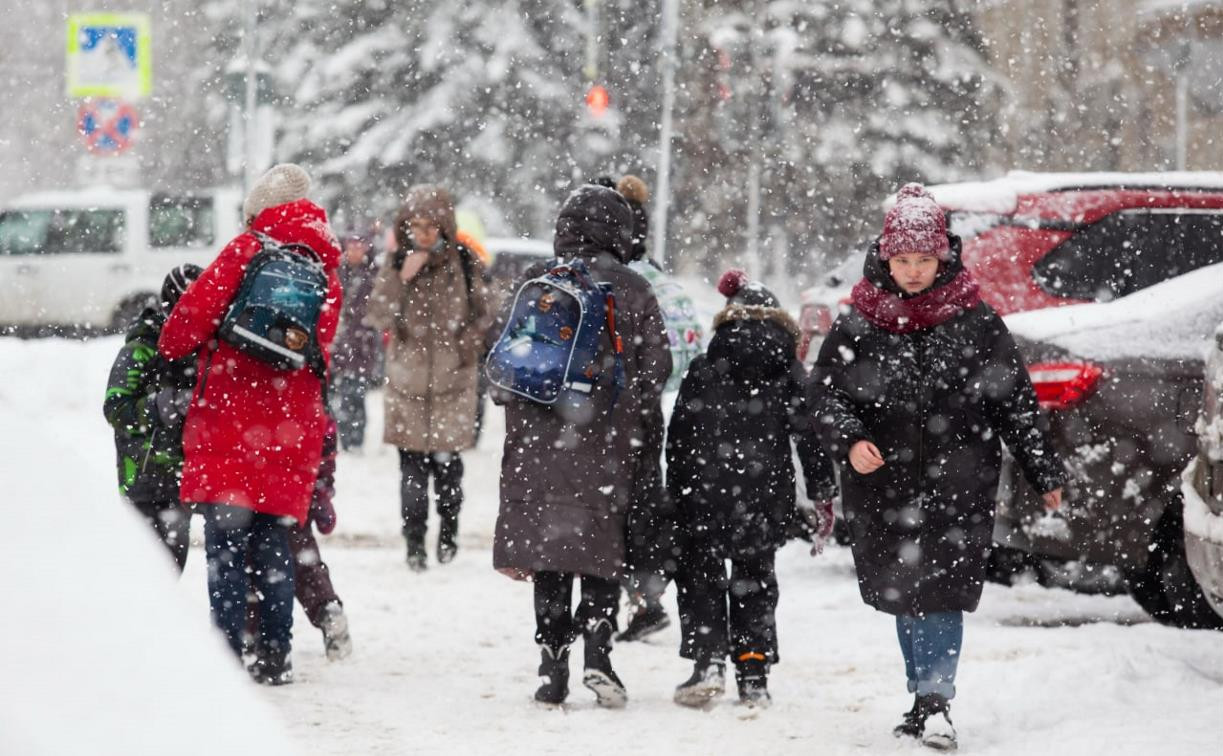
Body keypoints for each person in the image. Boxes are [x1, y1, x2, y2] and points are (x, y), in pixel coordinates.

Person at [810, 183, 1064, 748]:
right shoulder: (860, 324)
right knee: (904, 592)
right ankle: (920, 694)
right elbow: (824, 398)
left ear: (943, 255)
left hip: (961, 483)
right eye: (904, 260)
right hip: (884, 486)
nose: (915, 271)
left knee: (943, 592)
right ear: (885, 256)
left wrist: (1043, 470)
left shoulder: (976, 322)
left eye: (925, 260)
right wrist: (850, 440)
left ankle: (935, 702)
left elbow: (1014, 402)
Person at [159, 163, 343, 685]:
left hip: (230, 421)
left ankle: (228, 656)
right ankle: (277, 657)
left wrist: (177, 349)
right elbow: (320, 349)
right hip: (294, 427)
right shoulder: (326, 268)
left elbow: (187, 322)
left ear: (258, 212)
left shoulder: (247, 250)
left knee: (226, 550)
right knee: (274, 549)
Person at [492, 184, 671, 708]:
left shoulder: (536, 282)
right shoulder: (634, 288)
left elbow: (503, 363)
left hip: (537, 444)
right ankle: (598, 653)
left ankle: (551, 665)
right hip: (606, 442)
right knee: (600, 550)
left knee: (550, 555)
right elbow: (657, 367)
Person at [667, 269, 836, 709]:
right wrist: (822, 492)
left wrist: (675, 488)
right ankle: (754, 668)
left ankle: (708, 662)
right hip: (764, 492)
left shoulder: (705, 366)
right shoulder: (788, 369)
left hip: (703, 489)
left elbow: (680, 434)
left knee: (700, 574)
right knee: (755, 578)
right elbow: (810, 435)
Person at [364, 185, 493, 571]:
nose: (423, 234)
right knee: (412, 475)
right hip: (408, 385)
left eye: (431, 226)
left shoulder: (464, 262)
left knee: (449, 472)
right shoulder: (396, 262)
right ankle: (415, 544)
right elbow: (377, 313)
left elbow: (486, 312)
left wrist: (467, 343)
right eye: (415, 226)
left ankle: (449, 532)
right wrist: (400, 277)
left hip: (453, 384)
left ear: (444, 226)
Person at [608, 174, 705, 643]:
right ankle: (646, 597)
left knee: (612, 509)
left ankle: (619, 599)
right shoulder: (660, 283)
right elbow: (685, 352)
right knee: (644, 505)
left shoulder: (613, 284)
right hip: (647, 414)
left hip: (606, 414)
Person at [103, 264, 202, 572]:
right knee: (145, 572)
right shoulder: (141, 349)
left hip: (179, 482)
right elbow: (115, 407)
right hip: (141, 481)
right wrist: (160, 407)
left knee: (173, 567)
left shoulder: (201, 350)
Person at [331, 230, 383, 451]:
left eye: (359, 246)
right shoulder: (336, 272)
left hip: (362, 347)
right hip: (338, 346)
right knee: (339, 398)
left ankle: (356, 439)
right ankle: (343, 438)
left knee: (356, 396)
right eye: (351, 246)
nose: (355, 250)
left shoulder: (373, 275)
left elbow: (379, 310)